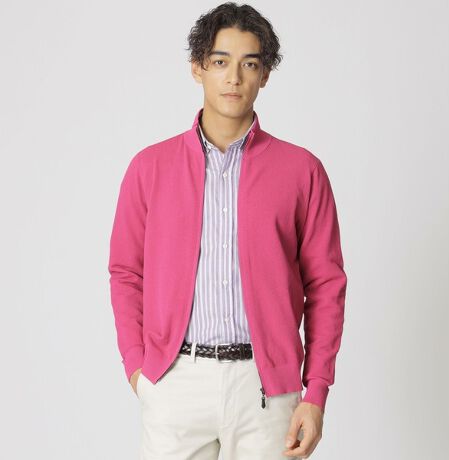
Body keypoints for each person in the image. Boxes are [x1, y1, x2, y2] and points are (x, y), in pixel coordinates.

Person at [108, 2, 347, 459]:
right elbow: (126, 273)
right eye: (220, 62)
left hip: (267, 388)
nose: (233, 77)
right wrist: (138, 367)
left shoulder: (302, 171)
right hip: (175, 382)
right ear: (197, 67)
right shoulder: (149, 167)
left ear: (265, 74)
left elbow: (326, 284)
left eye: (249, 64)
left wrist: (315, 392)